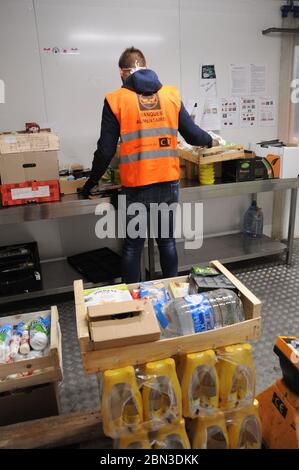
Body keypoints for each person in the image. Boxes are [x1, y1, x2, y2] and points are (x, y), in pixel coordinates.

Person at [82, 47, 218, 283]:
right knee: (166, 242)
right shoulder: (170, 95)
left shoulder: (116, 100)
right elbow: (194, 135)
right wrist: (211, 141)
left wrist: (91, 183)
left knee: (133, 246)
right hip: (168, 184)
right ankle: (172, 293)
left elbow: (105, 150)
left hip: (136, 187)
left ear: (122, 72)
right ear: (146, 66)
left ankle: (134, 303)